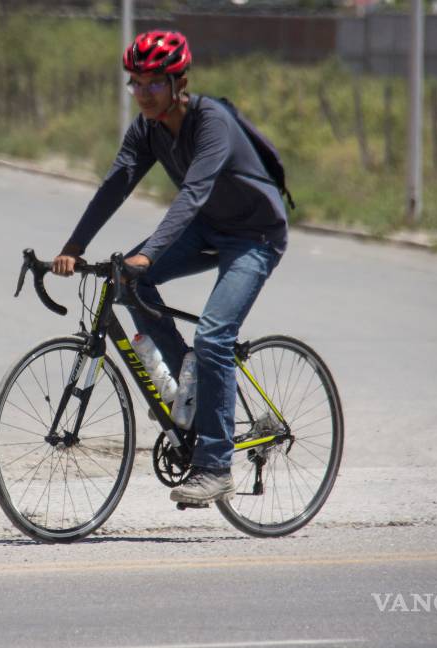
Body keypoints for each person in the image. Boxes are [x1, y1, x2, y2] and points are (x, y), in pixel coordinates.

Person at [51, 30, 289, 506]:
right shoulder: (148, 129)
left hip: (255, 235)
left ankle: (216, 467)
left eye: (155, 82)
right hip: (207, 227)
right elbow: (116, 184)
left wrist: (150, 254)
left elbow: (193, 193)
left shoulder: (212, 122)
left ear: (180, 82)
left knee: (214, 336)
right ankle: (190, 385)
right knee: (125, 282)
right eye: (136, 83)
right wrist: (74, 246)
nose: (143, 93)